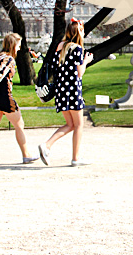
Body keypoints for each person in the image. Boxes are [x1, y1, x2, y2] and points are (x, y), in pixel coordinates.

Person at [38, 18, 94, 167]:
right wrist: (87, 61)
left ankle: (47, 145)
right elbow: (79, 73)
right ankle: (75, 158)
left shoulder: (60, 46)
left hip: (61, 90)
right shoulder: (77, 49)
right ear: (79, 32)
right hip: (73, 90)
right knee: (79, 125)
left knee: (70, 124)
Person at [0, 33, 38, 167]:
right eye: (18, 45)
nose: (19, 48)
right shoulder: (9, 59)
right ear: (13, 45)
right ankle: (26, 155)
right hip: (3, 97)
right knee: (19, 124)